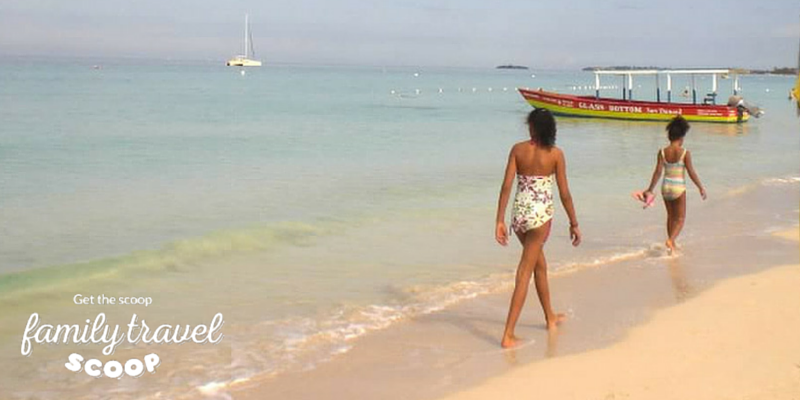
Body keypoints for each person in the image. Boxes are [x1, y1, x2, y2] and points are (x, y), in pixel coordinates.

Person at [495, 108, 581, 348]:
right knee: (524, 272)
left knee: (539, 266)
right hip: (540, 217)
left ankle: (549, 316)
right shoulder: (555, 154)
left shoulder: (517, 150)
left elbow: (505, 186)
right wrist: (574, 223)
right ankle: (508, 334)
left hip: (520, 216)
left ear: (532, 127)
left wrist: (499, 220)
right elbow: (565, 193)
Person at [642, 115, 706, 254]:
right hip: (678, 187)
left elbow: (658, 172)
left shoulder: (662, 152)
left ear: (669, 137)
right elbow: (691, 172)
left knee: (670, 216)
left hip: (665, 187)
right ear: (681, 138)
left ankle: (671, 244)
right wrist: (700, 187)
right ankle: (671, 240)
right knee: (681, 218)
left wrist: (650, 189)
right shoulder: (684, 153)